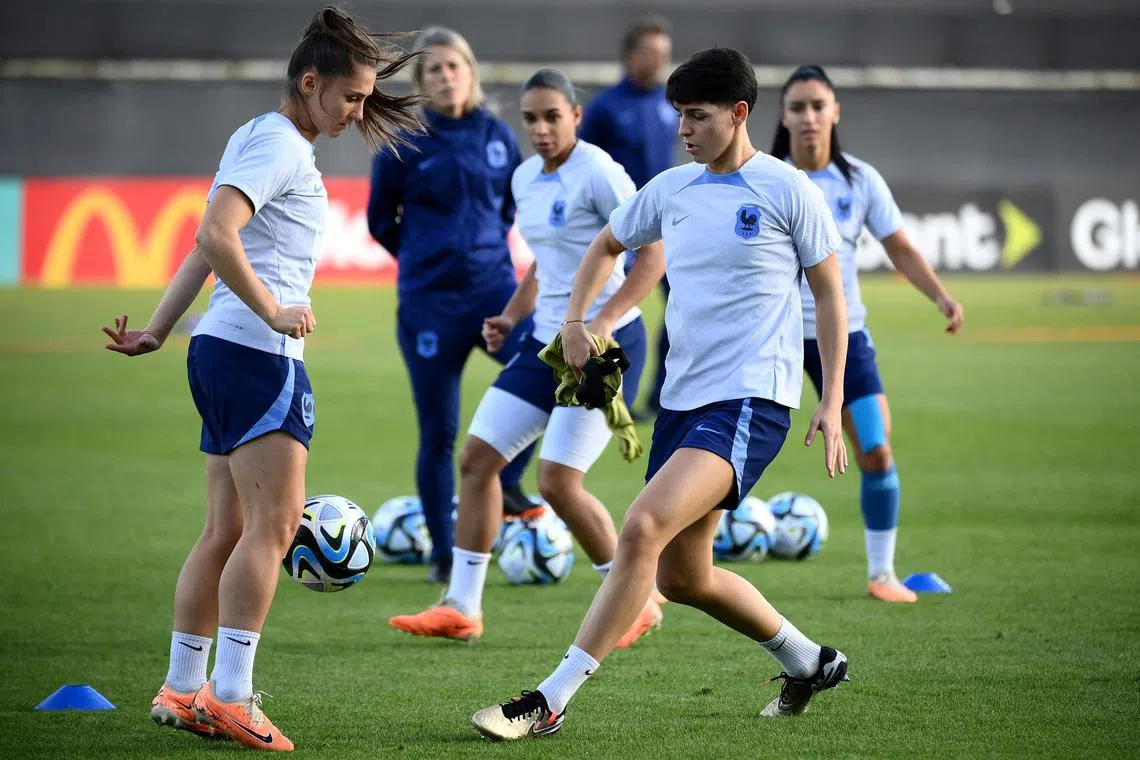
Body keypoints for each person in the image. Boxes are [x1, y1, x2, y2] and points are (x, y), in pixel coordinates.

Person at [470, 48, 851, 741]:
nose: (683, 129)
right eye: (679, 115)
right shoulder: (672, 189)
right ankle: (810, 661)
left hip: (751, 400)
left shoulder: (787, 189)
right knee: (683, 578)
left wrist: (830, 398)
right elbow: (605, 246)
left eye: (698, 116)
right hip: (681, 402)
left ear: (739, 114)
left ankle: (550, 700)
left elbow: (828, 294)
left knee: (641, 526)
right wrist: (578, 321)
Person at [103, 7, 421, 751]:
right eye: (350, 97)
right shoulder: (279, 144)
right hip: (257, 356)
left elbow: (206, 244)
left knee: (226, 529)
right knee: (273, 529)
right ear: (310, 83)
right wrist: (274, 309)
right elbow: (216, 235)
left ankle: (183, 688)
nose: (358, 111)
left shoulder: (258, 137)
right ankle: (232, 697)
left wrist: (159, 328)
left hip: (219, 351)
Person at [388, 69, 666, 648]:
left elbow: (652, 256)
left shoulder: (600, 172)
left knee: (558, 482)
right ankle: (462, 606)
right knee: (476, 460)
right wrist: (511, 316)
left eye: (552, 117)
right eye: (531, 119)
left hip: (605, 347)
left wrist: (604, 321)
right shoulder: (524, 178)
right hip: (545, 342)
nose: (540, 129)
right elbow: (547, 260)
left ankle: (635, 599)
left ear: (576, 116)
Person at [771, 64, 965, 603]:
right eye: (798, 107)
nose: (809, 117)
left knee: (876, 451)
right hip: (772, 338)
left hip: (844, 338)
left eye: (818, 106)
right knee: (724, 456)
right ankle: (684, 568)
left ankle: (882, 575)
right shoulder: (766, 177)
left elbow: (899, 246)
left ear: (835, 112)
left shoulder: (860, 180)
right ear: (782, 117)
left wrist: (940, 295)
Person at [367, 26, 542, 585]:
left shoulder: (497, 135)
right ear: (422, 82)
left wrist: (482, 258)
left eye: (454, 66)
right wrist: (426, 260)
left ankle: (506, 480)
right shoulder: (404, 142)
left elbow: (509, 209)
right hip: (429, 308)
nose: (446, 76)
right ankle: (444, 556)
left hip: (495, 297)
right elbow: (380, 221)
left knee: (552, 379)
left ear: (471, 72)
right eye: (434, 69)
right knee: (439, 434)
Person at [579, 15, 678, 419]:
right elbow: (584, 164)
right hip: (619, 229)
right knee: (610, 306)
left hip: (667, 225)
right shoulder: (605, 107)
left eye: (665, 54)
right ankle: (603, 389)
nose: (660, 62)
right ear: (631, 56)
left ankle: (662, 397)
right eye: (652, 54)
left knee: (682, 306)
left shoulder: (670, 104)